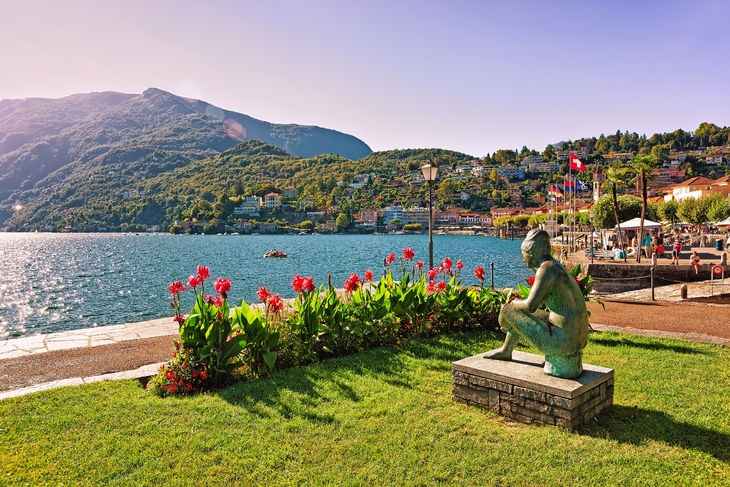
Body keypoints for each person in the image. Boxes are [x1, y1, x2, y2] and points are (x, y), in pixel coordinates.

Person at [484, 229, 589, 378]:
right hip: (578, 337)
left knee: (508, 309)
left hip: (562, 341)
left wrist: (513, 303)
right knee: (516, 313)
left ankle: (506, 344)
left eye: (523, 255)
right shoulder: (555, 265)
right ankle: (506, 351)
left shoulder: (545, 269)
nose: (523, 259)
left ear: (531, 253)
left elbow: (530, 306)